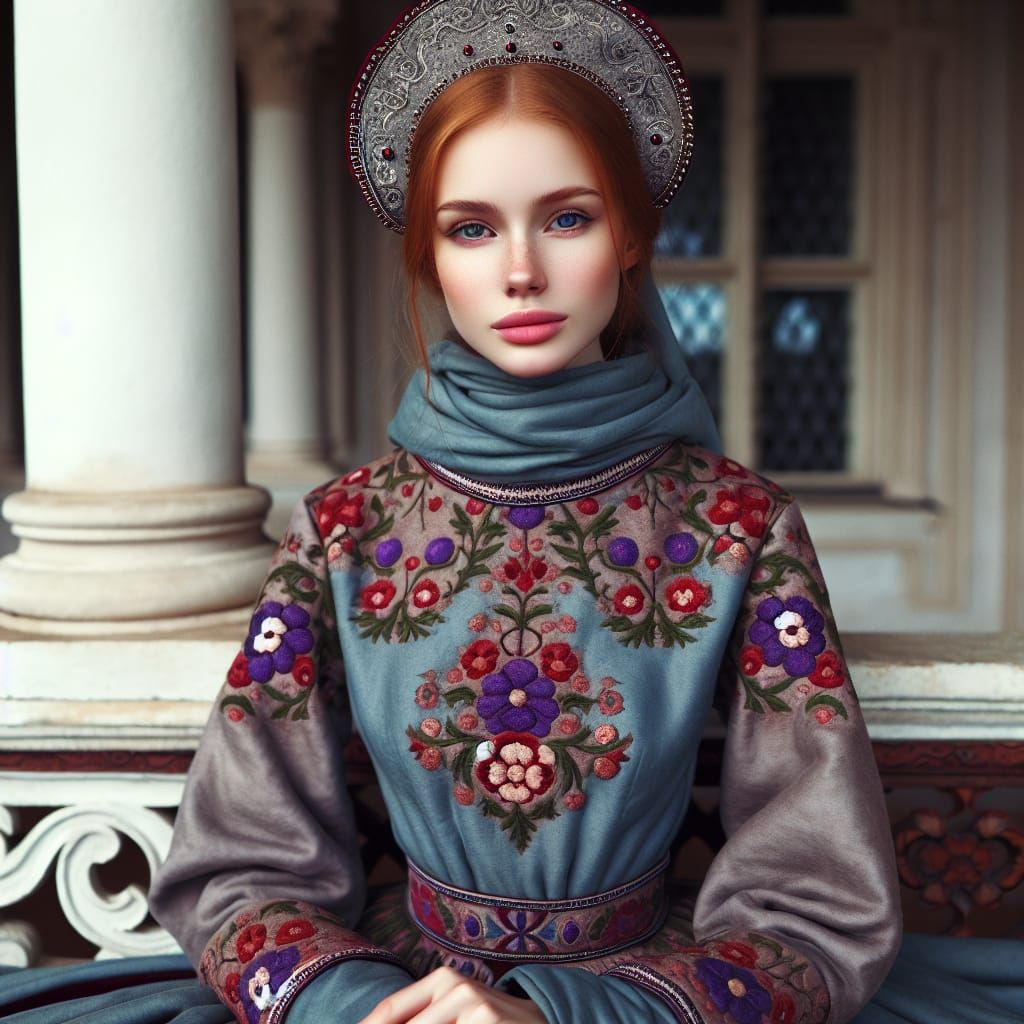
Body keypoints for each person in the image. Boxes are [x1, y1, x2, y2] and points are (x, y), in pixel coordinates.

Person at [146, 3, 903, 1023]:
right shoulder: (343, 529)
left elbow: (818, 898)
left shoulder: (737, 525)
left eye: (567, 217)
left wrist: (559, 1013)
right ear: (426, 256)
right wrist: (355, 1005)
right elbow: (234, 868)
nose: (518, 271)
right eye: (470, 228)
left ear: (631, 233)